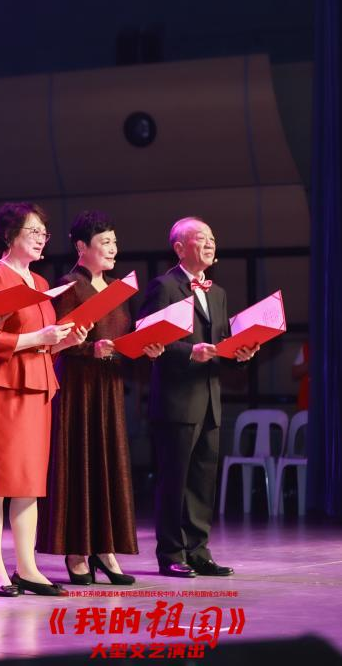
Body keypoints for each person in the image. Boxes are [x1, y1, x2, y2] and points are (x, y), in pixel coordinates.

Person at [35, 211, 164, 586]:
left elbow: (122, 338)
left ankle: (105, 549)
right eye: (104, 242)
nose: (113, 249)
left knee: (107, 464)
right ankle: (77, 551)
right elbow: (58, 341)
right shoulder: (68, 286)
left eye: (114, 242)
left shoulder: (116, 290)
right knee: (80, 462)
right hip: (78, 388)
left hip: (109, 387)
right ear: (82, 247)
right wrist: (90, 348)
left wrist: (144, 346)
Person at [0, 202, 87, 598]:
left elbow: (43, 343)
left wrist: (65, 341)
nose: (41, 239)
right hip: (5, 387)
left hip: (38, 385)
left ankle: (27, 567)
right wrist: (39, 338)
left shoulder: (39, 282)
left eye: (44, 233)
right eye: (33, 231)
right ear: (10, 235)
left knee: (29, 482)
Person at [139, 216, 258, 579]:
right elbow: (147, 338)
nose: (210, 243)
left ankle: (198, 550)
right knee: (174, 482)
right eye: (201, 238)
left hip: (209, 400)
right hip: (176, 401)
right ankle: (171, 553)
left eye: (212, 238)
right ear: (180, 248)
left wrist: (240, 353)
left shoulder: (217, 293)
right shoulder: (164, 286)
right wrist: (190, 352)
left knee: (203, 481)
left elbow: (220, 342)